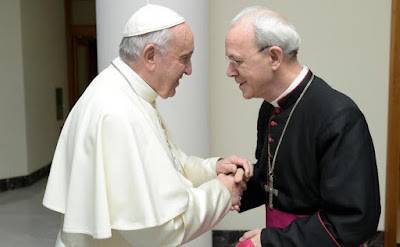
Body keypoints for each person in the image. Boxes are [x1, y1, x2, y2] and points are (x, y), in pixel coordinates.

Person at [43, 4, 253, 247]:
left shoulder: (128, 94)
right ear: (151, 56)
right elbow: (159, 230)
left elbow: (170, 165)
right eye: (184, 58)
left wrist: (213, 167)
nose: (189, 70)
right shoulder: (117, 111)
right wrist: (223, 192)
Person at [224, 6, 381, 247]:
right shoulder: (270, 107)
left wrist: (270, 241)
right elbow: (278, 179)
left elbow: (352, 220)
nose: (230, 72)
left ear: (274, 57)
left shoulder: (339, 116)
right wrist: (230, 185)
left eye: (237, 61)